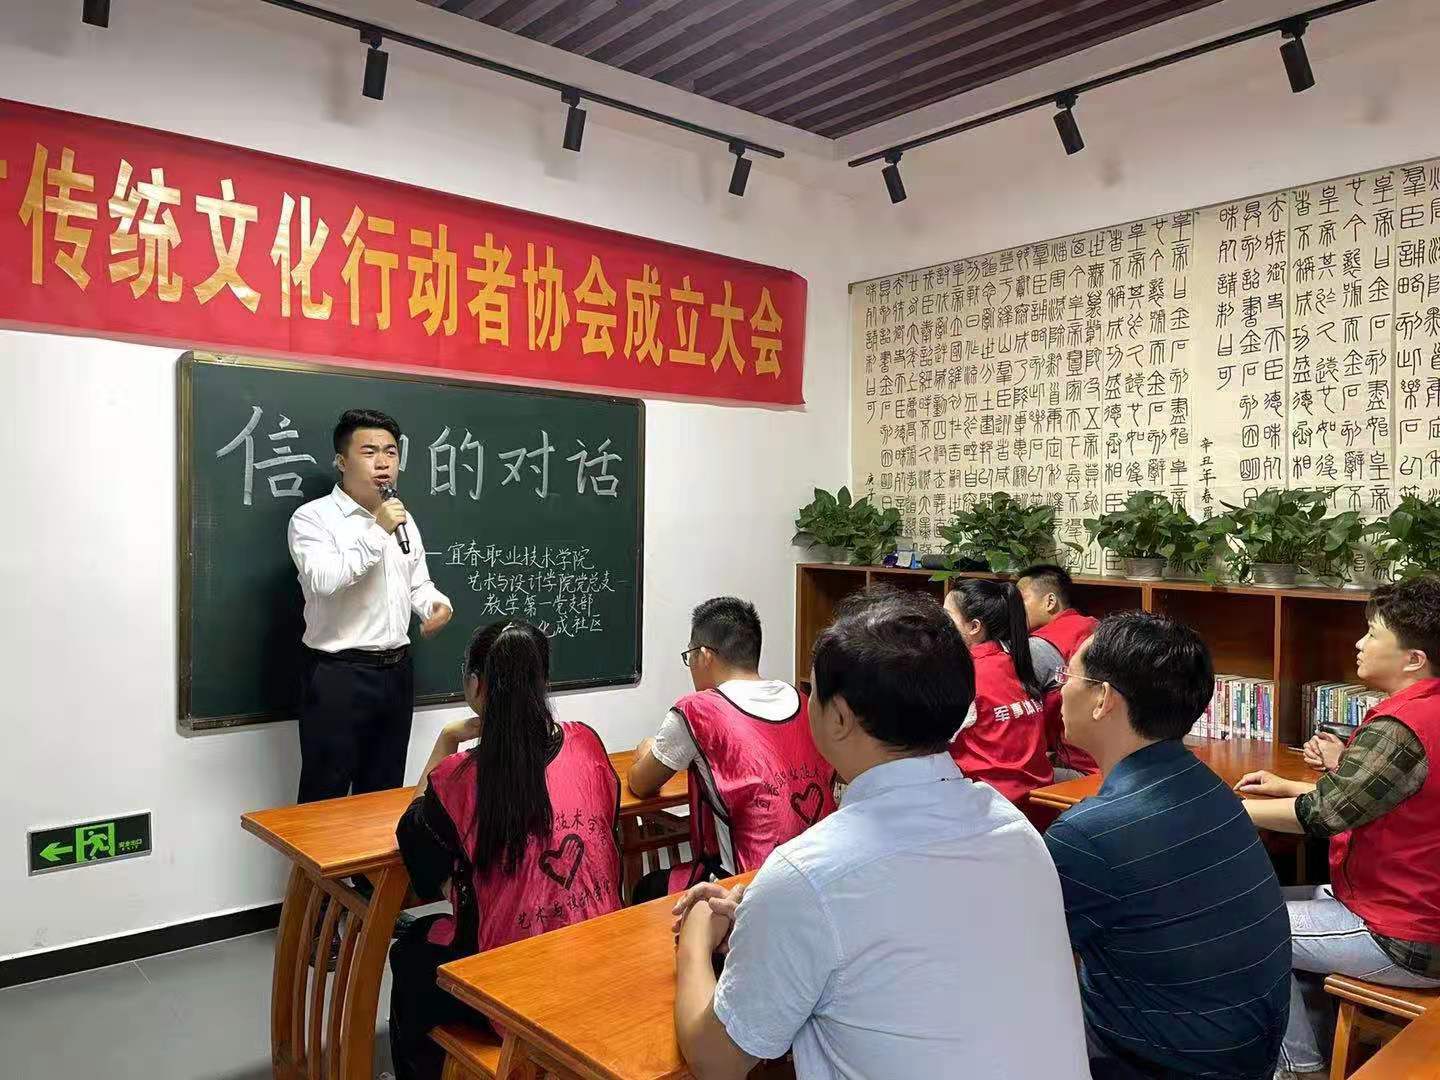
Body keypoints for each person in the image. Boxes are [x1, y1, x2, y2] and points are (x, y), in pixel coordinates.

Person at [672, 589, 1088, 1080]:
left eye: (813, 691)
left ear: (838, 717)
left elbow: (716, 1061)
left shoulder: (807, 876)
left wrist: (696, 936)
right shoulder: (1014, 829)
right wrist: (763, 910)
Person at [1045, 611, 1291, 1080]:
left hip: (1162, 1063)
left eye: (1067, 677)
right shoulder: (1207, 784)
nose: (1059, 692)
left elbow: (1020, 957)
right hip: (1247, 1053)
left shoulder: (1088, 834)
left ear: (1103, 699)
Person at [388, 620, 622, 1080]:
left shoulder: (459, 776)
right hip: (602, 968)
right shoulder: (587, 743)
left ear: (476, 685)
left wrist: (446, 739)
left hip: (510, 993)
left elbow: (413, 838)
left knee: (410, 953)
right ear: (544, 683)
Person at [1236, 576, 1440, 1078]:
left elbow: (1325, 815)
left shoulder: (1401, 727)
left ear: (1413, 659)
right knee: (1253, 900)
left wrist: (1228, 810)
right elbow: (1385, 800)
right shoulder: (1427, 711)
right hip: (1412, 907)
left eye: (1372, 634)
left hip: (1405, 933)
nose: (1359, 644)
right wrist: (1290, 785)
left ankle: (1298, 1069)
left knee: (1240, 929)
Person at [286, 409, 452, 803]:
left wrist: (435, 606)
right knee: (324, 797)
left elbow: (417, 583)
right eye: (369, 452)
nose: (383, 462)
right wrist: (378, 529)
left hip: (396, 673)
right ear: (342, 461)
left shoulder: (403, 519)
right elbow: (324, 581)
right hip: (338, 675)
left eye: (391, 452)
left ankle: (373, 851)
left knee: (384, 794)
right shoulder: (312, 519)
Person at [627, 597, 835, 902]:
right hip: (820, 872)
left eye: (689, 657)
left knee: (646, 888)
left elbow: (641, 783)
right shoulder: (802, 700)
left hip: (747, 886)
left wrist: (646, 749)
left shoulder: (698, 709)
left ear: (704, 656)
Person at [943, 579, 1054, 803]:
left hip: (987, 804)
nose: (939, 625)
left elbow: (926, 741)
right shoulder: (1014, 662)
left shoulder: (965, 673)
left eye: (946, 617)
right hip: (1036, 802)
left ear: (974, 627)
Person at [1018, 563, 1100, 776]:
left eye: (1021, 600)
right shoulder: (1096, 626)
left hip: (1079, 768)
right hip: (1112, 760)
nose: (1014, 609)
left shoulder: (1038, 647)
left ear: (1050, 601)